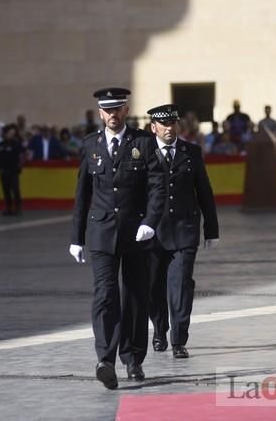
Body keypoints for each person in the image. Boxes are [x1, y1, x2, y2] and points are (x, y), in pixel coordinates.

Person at [69, 87, 165, 390]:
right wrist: (77, 237)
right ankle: (105, 360)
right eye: (107, 110)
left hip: (136, 233)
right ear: (100, 113)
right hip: (100, 233)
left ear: (125, 110)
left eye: (117, 109)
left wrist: (150, 221)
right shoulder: (90, 145)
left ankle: (133, 358)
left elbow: (157, 187)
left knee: (135, 295)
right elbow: (82, 195)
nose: (112, 114)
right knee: (105, 295)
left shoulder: (144, 143)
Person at [145, 104, 219, 359]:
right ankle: (159, 329)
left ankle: (178, 339)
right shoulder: (143, 153)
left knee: (181, 286)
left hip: (184, 231)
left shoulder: (191, 152)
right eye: (163, 124)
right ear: (153, 127)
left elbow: (205, 191)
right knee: (153, 288)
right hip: (152, 234)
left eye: (172, 123)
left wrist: (211, 229)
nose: (169, 128)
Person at [0, 124, 24, 216]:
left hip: (13, 170)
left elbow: (21, 156)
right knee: (6, 190)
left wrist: (19, 167)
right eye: (8, 133)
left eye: (12, 133)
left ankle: (18, 208)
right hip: (4, 171)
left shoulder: (16, 144)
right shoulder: (0, 145)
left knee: (15, 190)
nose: (10, 135)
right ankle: (8, 208)